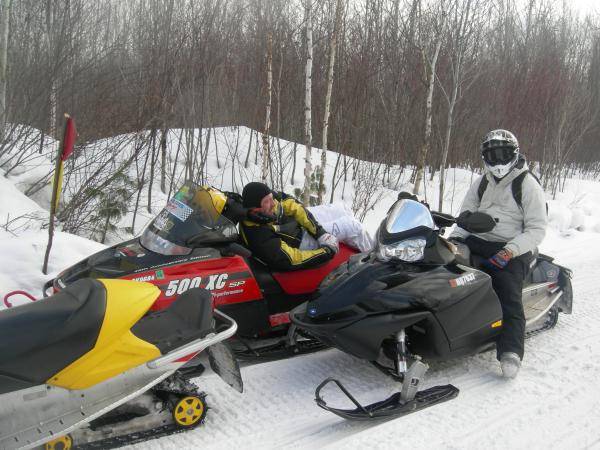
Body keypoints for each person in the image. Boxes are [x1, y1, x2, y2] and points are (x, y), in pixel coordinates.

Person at [451, 129, 547, 379]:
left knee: (505, 289)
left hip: (513, 247)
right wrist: (455, 238)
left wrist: (509, 251)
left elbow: (537, 229)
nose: (497, 160)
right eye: (491, 155)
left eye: (502, 154)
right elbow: (465, 216)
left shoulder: (526, 183)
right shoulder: (482, 181)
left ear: (513, 155)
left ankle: (511, 350)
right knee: (446, 271)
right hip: (478, 241)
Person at [239, 182, 339, 271]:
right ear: (255, 209)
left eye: (271, 198)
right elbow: (290, 258)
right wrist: (325, 253)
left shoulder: (267, 206)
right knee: (349, 225)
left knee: (341, 210)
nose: (273, 203)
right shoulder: (257, 235)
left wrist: (319, 232)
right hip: (299, 240)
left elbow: (292, 204)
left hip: (302, 224)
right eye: (267, 201)